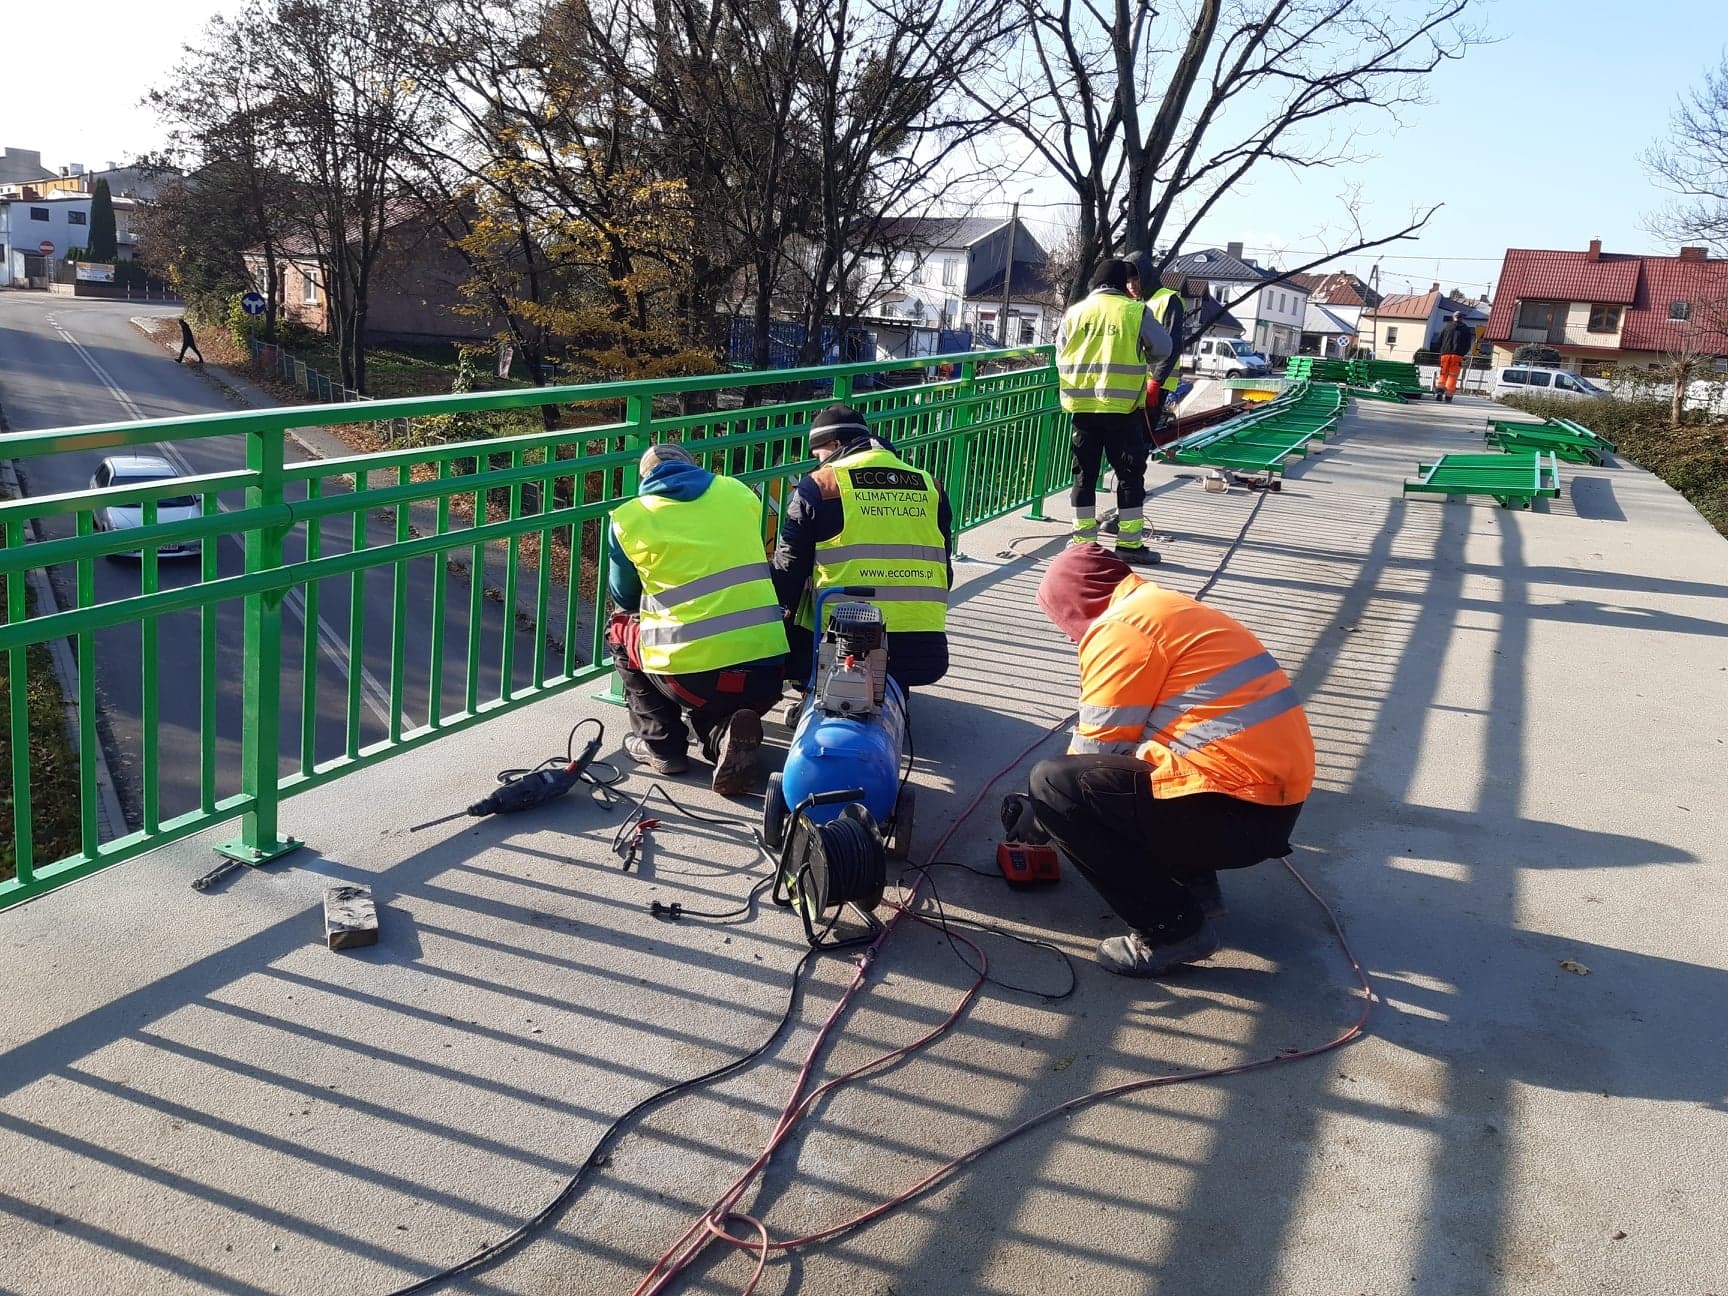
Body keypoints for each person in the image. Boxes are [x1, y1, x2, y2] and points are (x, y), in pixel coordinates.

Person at [1025, 543, 1315, 977]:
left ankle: (1172, 929)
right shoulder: (1162, 608)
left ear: (1073, 602)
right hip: (1266, 808)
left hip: (1234, 812)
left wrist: (1036, 817)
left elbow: (1096, 750)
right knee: (1150, 767)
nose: (1068, 634)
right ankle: (1195, 888)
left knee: (1052, 784)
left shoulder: (1121, 629)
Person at [606, 443, 788, 793]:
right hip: (766, 672)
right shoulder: (737, 492)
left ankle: (662, 745)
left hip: (689, 677)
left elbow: (625, 597)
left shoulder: (629, 518)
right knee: (717, 688)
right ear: (693, 467)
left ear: (645, 478)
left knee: (619, 629)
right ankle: (722, 738)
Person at [771, 403, 953, 690]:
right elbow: (946, 568)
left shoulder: (821, 485)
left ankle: (812, 690)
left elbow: (788, 568)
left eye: (819, 455)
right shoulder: (930, 485)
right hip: (922, 647)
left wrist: (778, 613)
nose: (819, 463)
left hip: (841, 642)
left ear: (835, 444)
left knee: (788, 607)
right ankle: (891, 688)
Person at [1054, 257, 1175, 564]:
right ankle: (1129, 545)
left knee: (1084, 476)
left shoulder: (1075, 313)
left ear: (1095, 283)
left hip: (1083, 409)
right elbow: (1163, 348)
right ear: (1124, 285)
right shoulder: (1135, 311)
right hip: (1122, 411)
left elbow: (1060, 355)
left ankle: (1083, 546)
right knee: (1130, 476)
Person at [1435, 312, 1474, 402]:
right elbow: (1468, 345)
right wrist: (1462, 354)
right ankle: (1448, 396)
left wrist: (1441, 351)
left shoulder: (1447, 327)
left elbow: (1439, 340)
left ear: (1453, 317)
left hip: (1445, 354)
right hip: (1457, 356)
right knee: (1452, 376)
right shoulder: (1466, 329)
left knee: (1443, 374)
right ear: (1461, 318)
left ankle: (1439, 392)